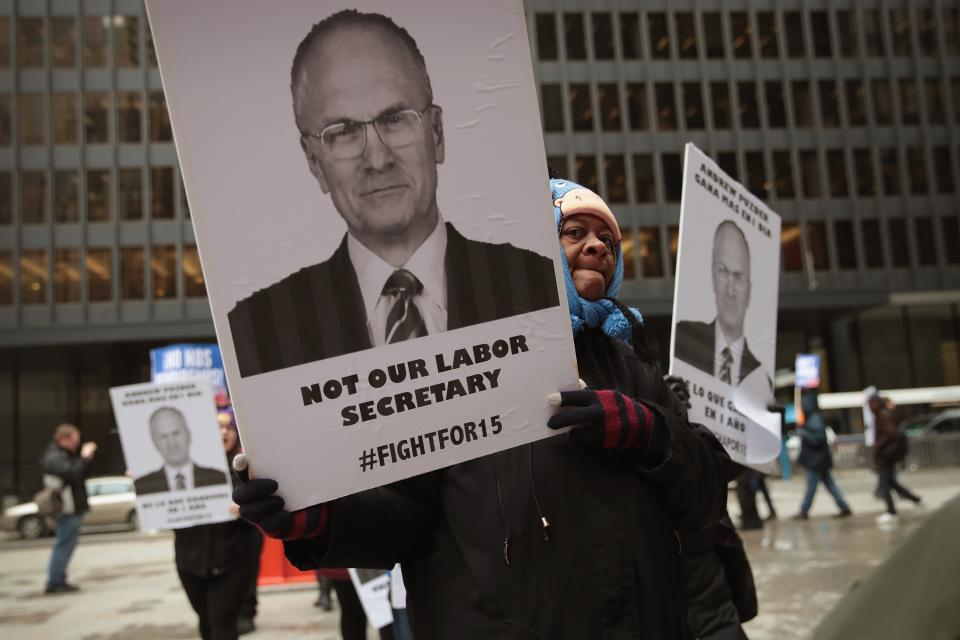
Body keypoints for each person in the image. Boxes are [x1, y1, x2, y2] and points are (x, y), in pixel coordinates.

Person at [233, 178, 733, 639]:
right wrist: (319, 517)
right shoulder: (451, 358)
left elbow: (706, 495)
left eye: (608, 240)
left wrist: (650, 431)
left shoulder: (636, 367)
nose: (598, 247)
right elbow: (407, 515)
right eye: (574, 231)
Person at [227, 9, 559, 377]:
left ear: (436, 133)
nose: (378, 158)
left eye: (395, 119)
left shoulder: (542, 287)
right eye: (344, 131)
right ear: (315, 163)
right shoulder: (258, 333)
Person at [174, 407, 263, 640]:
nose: (224, 432)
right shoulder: (184, 469)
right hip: (190, 561)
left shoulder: (249, 469)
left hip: (232, 562)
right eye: (217, 427)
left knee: (222, 624)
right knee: (205, 624)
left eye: (228, 427)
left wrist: (247, 508)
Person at [674, 221, 769, 388]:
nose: (730, 290)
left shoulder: (761, 379)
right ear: (712, 276)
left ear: (749, 291)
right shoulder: (684, 339)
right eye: (723, 271)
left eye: (738, 276)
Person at [41, 423, 97, 594]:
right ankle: (55, 581)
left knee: (67, 544)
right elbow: (73, 473)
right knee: (64, 544)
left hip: (72, 508)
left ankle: (58, 579)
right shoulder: (55, 457)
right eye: (74, 440)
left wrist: (85, 460)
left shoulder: (64, 455)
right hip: (67, 509)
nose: (77, 444)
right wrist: (84, 457)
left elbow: (80, 473)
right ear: (63, 439)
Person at [134, 406, 228, 495]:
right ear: (154, 442)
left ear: (188, 435)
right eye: (163, 436)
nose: (172, 443)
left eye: (176, 433)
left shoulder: (220, 478)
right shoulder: (142, 487)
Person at [793, 390, 853, 520]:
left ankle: (804, 510)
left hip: (816, 460)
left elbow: (819, 439)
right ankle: (844, 506)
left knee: (811, 486)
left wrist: (803, 433)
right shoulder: (812, 419)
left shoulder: (815, 419)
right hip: (818, 459)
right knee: (829, 484)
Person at [870, 393, 922, 525]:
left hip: (885, 456)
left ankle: (891, 512)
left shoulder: (883, 415)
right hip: (886, 455)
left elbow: (891, 433)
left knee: (884, 485)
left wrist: (879, 445)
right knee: (891, 483)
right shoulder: (882, 415)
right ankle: (915, 499)